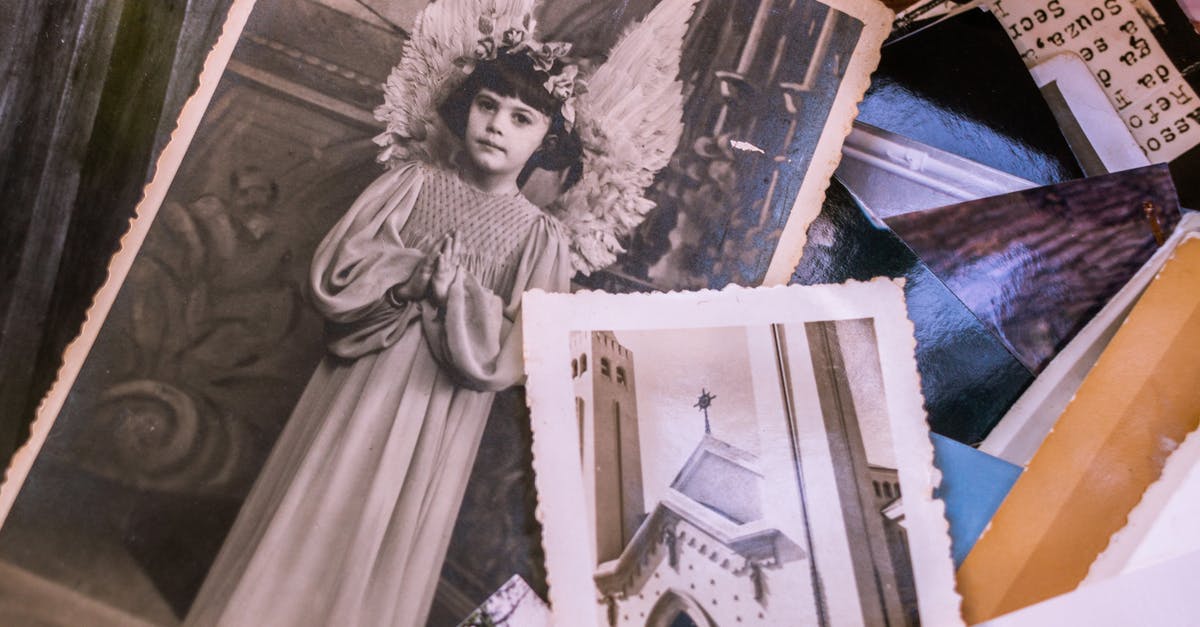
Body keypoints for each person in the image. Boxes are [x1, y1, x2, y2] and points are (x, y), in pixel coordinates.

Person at [183, 44, 583, 627]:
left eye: (521, 119)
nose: (496, 125)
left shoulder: (539, 240)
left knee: (383, 525)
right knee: (319, 495)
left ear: (545, 142)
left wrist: (459, 299)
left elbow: (523, 351)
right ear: (465, 109)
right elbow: (337, 269)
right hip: (360, 381)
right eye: (487, 106)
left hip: (436, 408)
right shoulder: (412, 184)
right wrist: (407, 277)